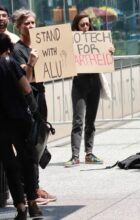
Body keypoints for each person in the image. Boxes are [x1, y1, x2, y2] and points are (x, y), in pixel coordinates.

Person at [12, 8, 56, 205]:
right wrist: (30, 63)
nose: (30, 26)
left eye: (32, 23)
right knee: (30, 145)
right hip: (28, 100)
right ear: (19, 27)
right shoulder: (18, 50)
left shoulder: (42, 45)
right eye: (26, 23)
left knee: (38, 142)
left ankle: (34, 186)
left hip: (41, 96)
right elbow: (25, 81)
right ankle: (29, 190)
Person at [0, 32, 42, 219]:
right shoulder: (11, 64)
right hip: (20, 119)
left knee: (9, 164)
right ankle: (33, 203)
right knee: (27, 160)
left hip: (1, 123)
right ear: (7, 48)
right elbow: (26, 88)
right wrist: (36, 113)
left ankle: (20, 208)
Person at [65, 13, 114, 167]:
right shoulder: (72, 42)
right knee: (78, 120)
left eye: (87, 24)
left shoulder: (96, 40)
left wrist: (110, 51)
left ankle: (89, 153)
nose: (86, 28)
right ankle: (74, 155)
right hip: (80, 83)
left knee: (90, 120)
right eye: (82, 25)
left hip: (94, 83)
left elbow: (105, 58)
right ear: (76, 27)